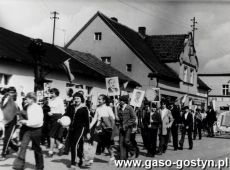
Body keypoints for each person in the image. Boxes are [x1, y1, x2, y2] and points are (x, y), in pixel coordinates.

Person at [12, 92, 44, 170]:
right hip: (28, 130)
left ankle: (40, 166)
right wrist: (19, 116)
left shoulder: (38, 108)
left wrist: (26, 122)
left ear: (32, 99)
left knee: (36, 148)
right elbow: (22, 113)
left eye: (27, 98)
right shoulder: (27, 106)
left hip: (37, 130)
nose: (26, 100)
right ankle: (19, 165)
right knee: (23, 146)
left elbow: (38, 121)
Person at [63, 92, 90, 168]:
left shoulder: (84, 108)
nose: (76, 100)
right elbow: (66, 115)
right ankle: (81, 159)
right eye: (75, 98)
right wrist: (61, 119)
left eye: (78, 98)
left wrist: (88, 132)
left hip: (80, 129)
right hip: (71, 128)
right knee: (80, 145)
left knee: (74, 145)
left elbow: (87, 121)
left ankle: (73, 163)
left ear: (81, 99)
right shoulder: (71, 107)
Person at [90, 94, 115, 163]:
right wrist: (89, 126)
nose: (98, 100)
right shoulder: (97, 108)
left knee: (108, 145)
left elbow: (113, 117)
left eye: (100, 99)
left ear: (104, 100)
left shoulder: (108, 108)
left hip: (106, 128)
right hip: (98, 127)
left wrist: (105, 119)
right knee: (94, 142)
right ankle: (91, 158)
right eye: (98, 99)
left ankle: (112, 156)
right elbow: (94, 119)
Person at [0, 87, 20, 161]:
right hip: (4, 120)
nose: (10, 94)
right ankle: (15, 148)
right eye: (9, 92)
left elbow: (18, 113)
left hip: (11, 121)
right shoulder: (4, 99)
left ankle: (3, 154)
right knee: (3, 137)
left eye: (12, 92)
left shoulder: (14, 103)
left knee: (7, 138)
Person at [117, 95, 138, 160]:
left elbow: (134, 118)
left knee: (126, 141)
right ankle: (123, 158)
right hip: (121, 127)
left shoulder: (129, 108)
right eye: (120, 100)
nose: (120, 101)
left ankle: (133, 152)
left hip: (128, 127)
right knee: (121, 142)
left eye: (121, 100)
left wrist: (127, 124)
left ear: (124, 101)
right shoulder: (119, 108)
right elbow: (120, 119)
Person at [47, 88, 65, 157]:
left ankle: (50, 151)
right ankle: (60, 146)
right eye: (50, 93)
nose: (51, 94)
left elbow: (62, 111)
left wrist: (61, 119)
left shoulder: (60, 100)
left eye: (52, 93)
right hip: (51, 118)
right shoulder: (50, 100)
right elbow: (50, 109)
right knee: (53, 135)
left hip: (58, 118)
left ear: (56, 93)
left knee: (51, 135)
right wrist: (49, 112)